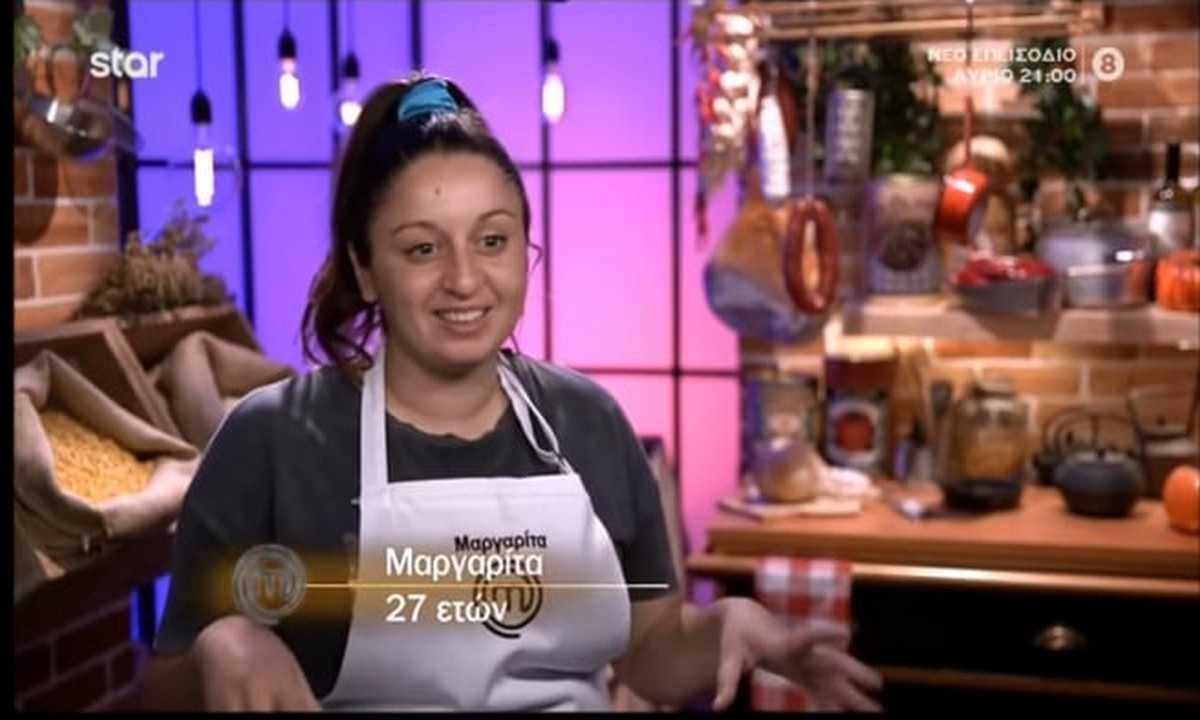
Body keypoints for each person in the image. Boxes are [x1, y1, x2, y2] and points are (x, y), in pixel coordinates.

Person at [140, 71, 883, 712]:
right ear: (364, 269)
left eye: (492, 240)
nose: (465, 279)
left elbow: (650, 648)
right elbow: (161, 690)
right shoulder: (273, 442)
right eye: (422, 248)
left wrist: (729, 626)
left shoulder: (587, 421)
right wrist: (221, 646)